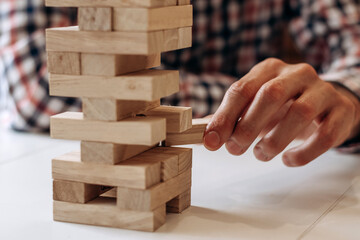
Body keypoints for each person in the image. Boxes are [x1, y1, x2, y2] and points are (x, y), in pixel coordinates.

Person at [1, 0, 359, 166]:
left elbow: (352, 41)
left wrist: (345, 94)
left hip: (238, 172)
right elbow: (35, 85)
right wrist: (251, 99)